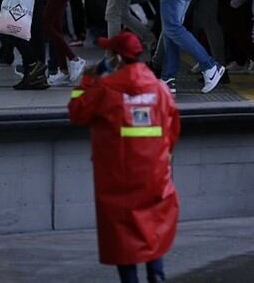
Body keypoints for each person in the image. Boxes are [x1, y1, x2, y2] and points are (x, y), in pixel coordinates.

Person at [68, 31, 179, 283]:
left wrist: (87, 79)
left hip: (117, 179)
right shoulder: (160, 90)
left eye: (109, 53)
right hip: (154, 177)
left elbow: (76, 113)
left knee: (123, 239)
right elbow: (172, 131)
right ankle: (157, 278)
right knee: (152, 232)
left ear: (117, 58)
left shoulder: (106, 89)